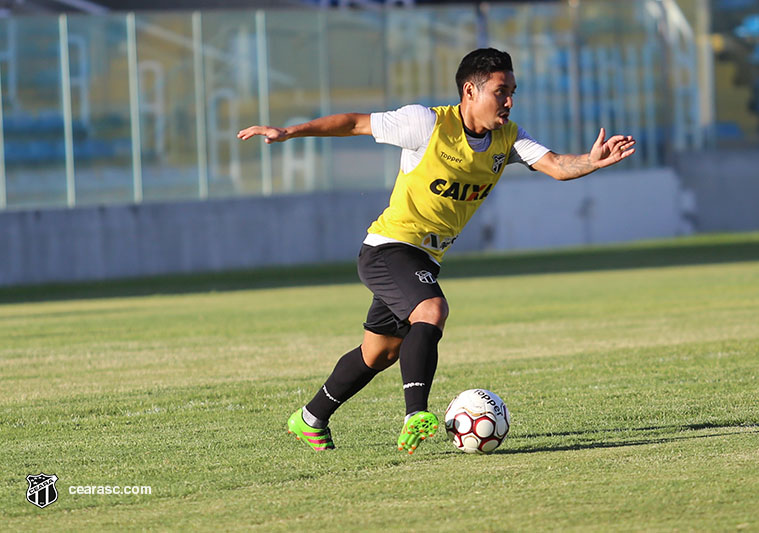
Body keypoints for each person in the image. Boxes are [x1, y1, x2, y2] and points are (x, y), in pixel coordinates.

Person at [238, 48, 636, 454]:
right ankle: (416, 414)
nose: (510, 101)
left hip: (424, 259)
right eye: (501, 92)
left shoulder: (508, 138)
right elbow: (355, 122)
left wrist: (591, 160)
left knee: (379, 353)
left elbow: (555, 165)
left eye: (513, 91)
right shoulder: (425, 123)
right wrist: (289, 132)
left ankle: (309, 417)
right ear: (470, 90)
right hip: (389, 247)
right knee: (431, 310)